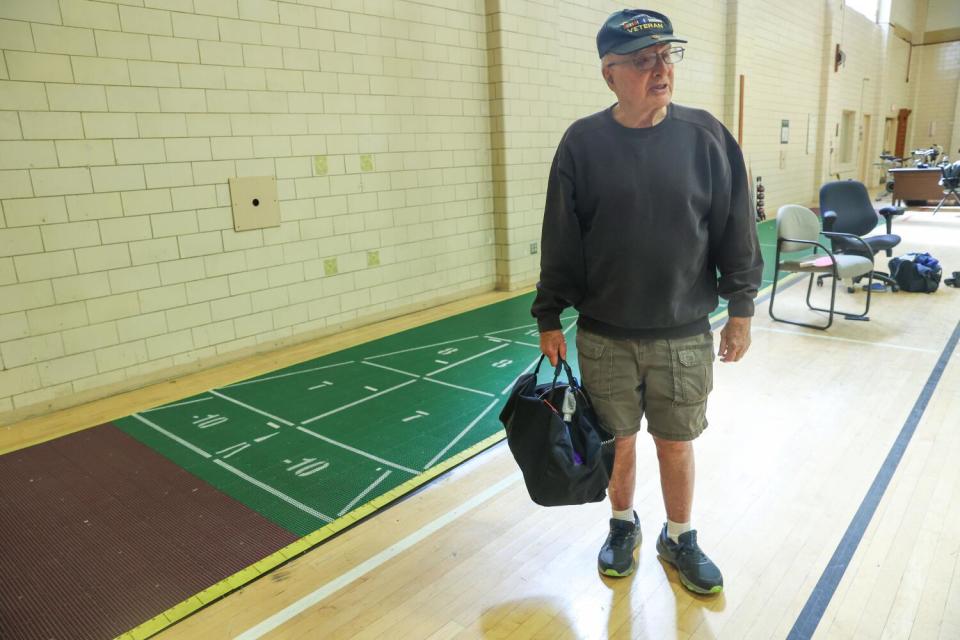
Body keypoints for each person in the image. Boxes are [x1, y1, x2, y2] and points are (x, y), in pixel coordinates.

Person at [531, 8, 762, 595]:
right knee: (618, 440)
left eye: (667, 55)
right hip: (604, 333)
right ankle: (622, 525)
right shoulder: (582, 143)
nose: (661, 69)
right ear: (610, 74)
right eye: (643, 60)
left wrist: (740, 310)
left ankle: (679, 535)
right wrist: (548, 315)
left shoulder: (706, 135)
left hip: (684, 330)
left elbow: (736, 225)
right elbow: (560, 234)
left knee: (677, 441)